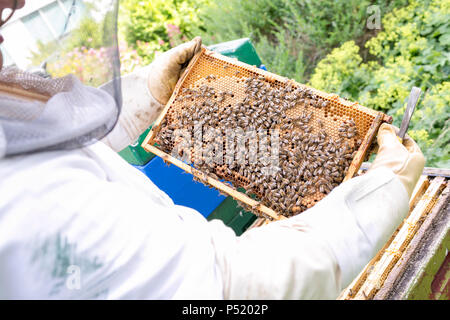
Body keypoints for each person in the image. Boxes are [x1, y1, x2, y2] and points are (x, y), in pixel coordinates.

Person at [0, 0, 425, 299]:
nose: (17, 4)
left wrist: (146, 95)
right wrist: (380, 191)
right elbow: (233, 290)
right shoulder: (25, 200)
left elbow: (57, 141)